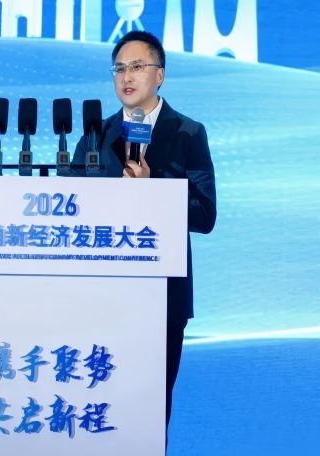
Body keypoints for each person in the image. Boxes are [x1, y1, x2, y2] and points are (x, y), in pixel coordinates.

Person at [71, 30, 217, 429]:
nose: (126, 77)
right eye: (119, 69)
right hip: (100, 294)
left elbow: (205, 215)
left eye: (137, 66)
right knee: (96, 405)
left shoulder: (188, 133)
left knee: (149, 414)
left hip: (162, 297)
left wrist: (154, 191)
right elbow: (70, 208)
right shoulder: (95, 136)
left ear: (160, 75)